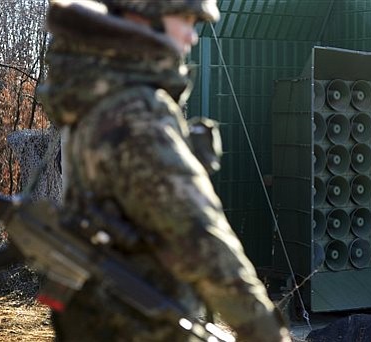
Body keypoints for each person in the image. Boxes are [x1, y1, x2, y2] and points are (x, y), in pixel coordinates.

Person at [38, 0, 292, 341]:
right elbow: (202, 240)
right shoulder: (137, 111)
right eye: (184, 20)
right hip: (141, 327)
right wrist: (267, 332)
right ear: (140, 16)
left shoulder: (97, 96)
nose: (192, 36)